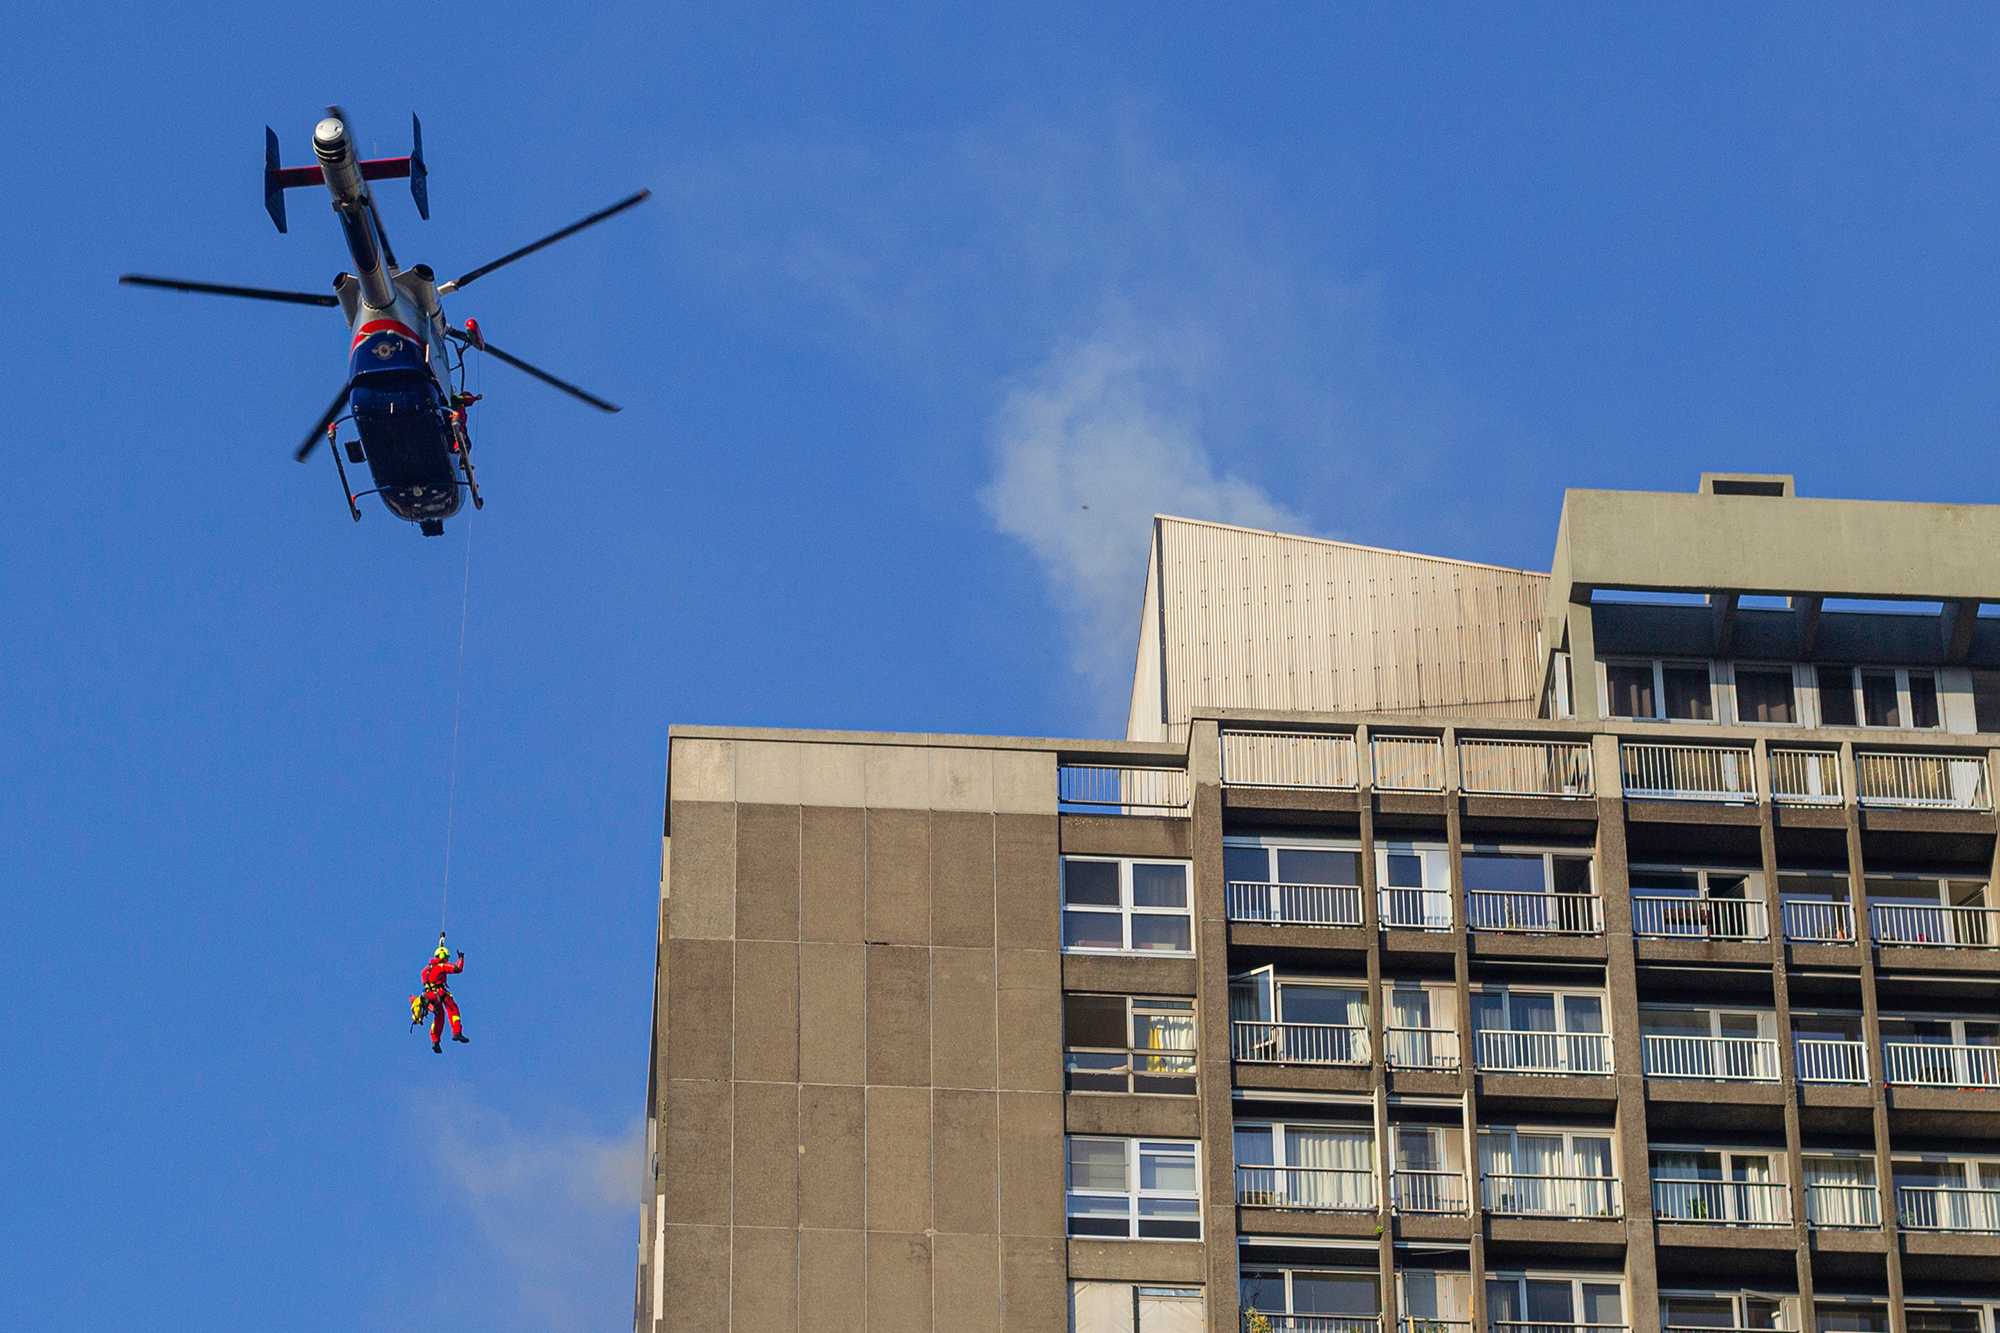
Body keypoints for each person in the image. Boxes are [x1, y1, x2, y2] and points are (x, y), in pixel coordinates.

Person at [420, 934, 469, 1053]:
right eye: (446, 957)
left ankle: (435, 1041)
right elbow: (457, 969)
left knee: (439, 1017)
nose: (447, 960)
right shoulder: (441, 966)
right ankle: (457, 1032)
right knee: (453, 1010)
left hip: (428, 996)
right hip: (439, 993)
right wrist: (461, 958)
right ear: (442, 957)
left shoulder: (426, 970)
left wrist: (441, 942)